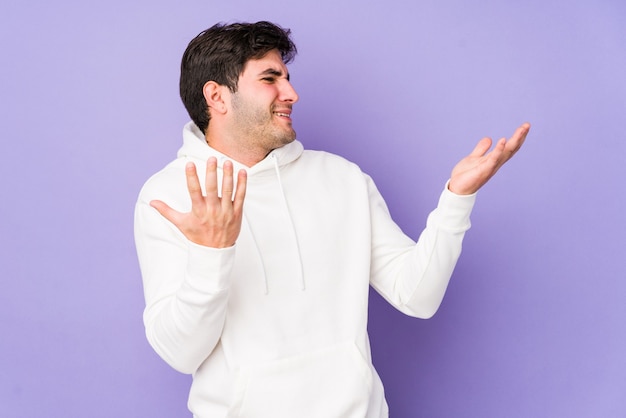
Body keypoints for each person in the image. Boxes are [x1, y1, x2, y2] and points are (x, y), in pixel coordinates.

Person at [134, 21, 529, 418]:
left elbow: (417, 295)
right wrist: (211, 253)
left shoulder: (342, 179)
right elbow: (180, 353)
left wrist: (456, 199)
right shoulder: (167, 197)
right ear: (216, 96)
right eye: (270, 79)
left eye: (287, 78)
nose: (291, 93)